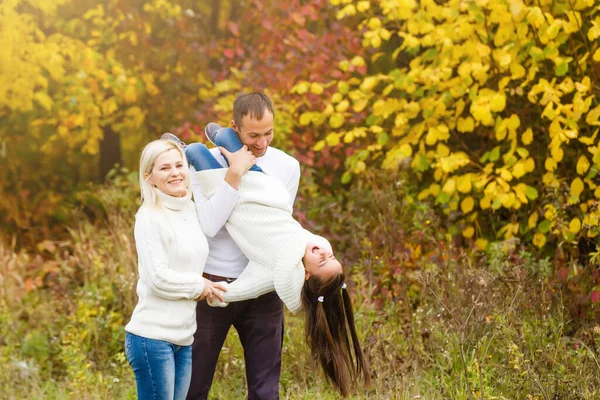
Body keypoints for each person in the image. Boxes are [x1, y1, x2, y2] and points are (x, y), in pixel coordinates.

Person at [181, 128, 371, 397]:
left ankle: (182, 148)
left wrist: (216, 293)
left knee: (197, 152)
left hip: (237, 203)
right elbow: (309, 236)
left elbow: (245, 287)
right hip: (263, 188)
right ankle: (223, 134)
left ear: (305, 274)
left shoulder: (279, 271)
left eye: (322, 261)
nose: (324, 253)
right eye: (330, 256)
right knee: (195, 380)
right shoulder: (309, 244)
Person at [182, 92, 301, 400]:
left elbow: (272, 225)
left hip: (263, 288)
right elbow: (208, 225)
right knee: (193, 388)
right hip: (212, 285)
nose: (262, 143)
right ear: (234, 128)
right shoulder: (202, 163)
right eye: (253, 136)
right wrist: (233, 175)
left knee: (265, 392)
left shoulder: (287, 166)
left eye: (268, 133)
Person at [124, 139, 226, 400]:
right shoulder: (149, 217)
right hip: (152, 338)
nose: (175, 173)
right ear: (150, 178)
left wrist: (211, 288)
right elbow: (157, 277)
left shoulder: (190, 209)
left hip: (184, 337)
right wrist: (199, 285)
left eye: (179, 165)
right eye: (165, 168)